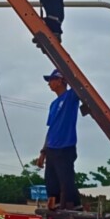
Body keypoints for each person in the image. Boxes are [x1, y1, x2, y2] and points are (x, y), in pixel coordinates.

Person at [36, 69, 81, 211]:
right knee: (51, 181)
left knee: (66, 179)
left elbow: (78, 84)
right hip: (52, 147)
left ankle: (74, 206)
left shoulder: (71, 97)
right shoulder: (53, 104)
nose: (49, 83)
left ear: (60, 80)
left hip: (65, 146)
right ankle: (54, 206)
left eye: (51, 80)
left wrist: (66, 74)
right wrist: (43, 152)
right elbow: (51, 128)